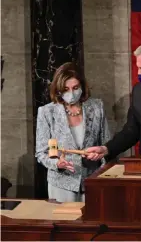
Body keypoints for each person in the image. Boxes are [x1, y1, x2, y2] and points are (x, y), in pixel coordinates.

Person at [35, 62, 110, 202]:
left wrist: (99, 156)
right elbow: (41, 152)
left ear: (82, 86)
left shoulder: (97, 106)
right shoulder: (47, 112)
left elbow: (107, 143)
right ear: (58, 90)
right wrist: (57, 164)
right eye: (66, 89)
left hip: (92, 181)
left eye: (75, 88)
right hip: (62, 183)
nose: (71, 93)